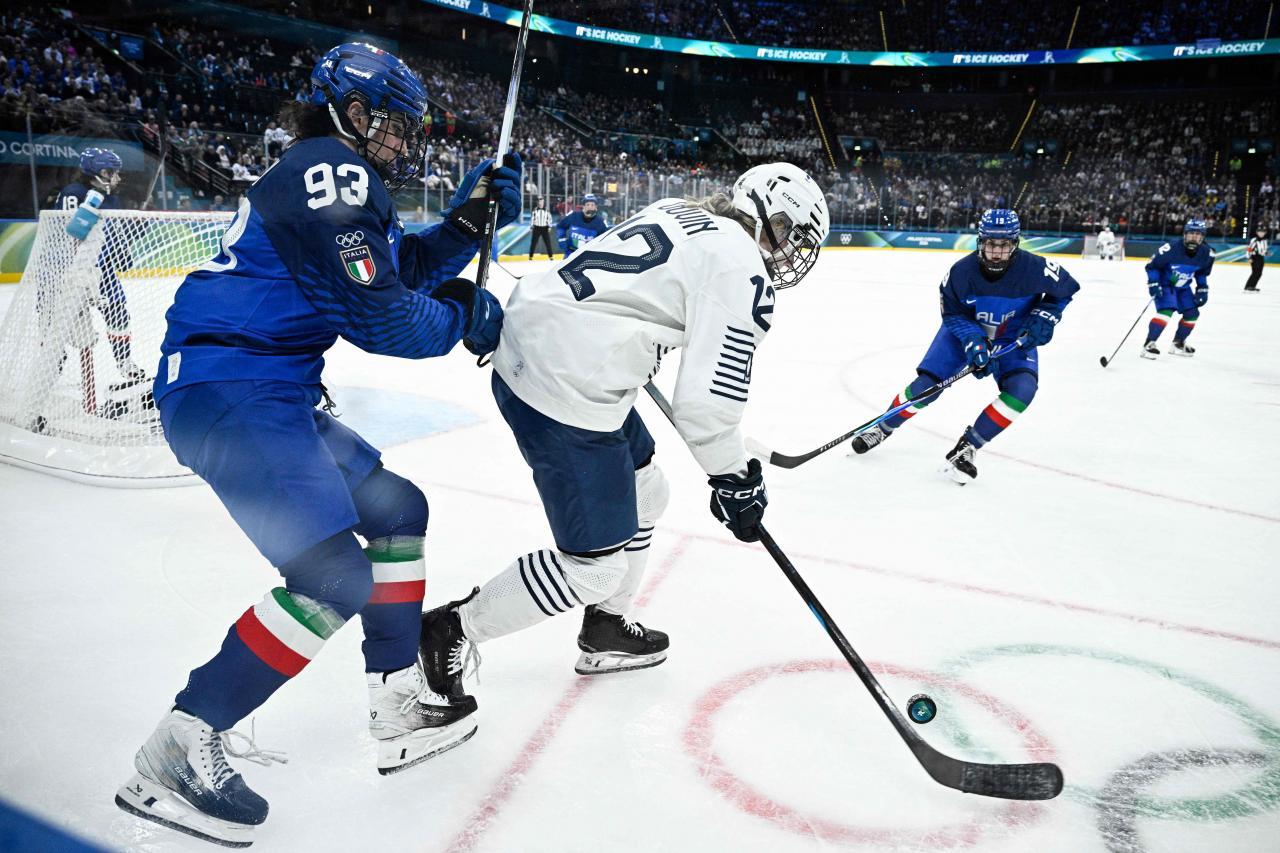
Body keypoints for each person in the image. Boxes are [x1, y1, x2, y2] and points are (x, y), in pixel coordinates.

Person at [114, 42, 522, 847]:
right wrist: (462, 319)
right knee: (334, 575)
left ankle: (395, 704)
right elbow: (381, 316)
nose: (405, 141)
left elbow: (394, 269)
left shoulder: (329, 169)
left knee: (399, 508)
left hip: (266, 389)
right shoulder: (332, 169)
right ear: (354, 112)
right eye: (395, 124)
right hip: (235, 388)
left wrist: (464, 226)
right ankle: (180, 744)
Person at [417, 163, 829, 730]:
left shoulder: (680, 210)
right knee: (593, 569)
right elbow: (707, 405)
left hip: (547, 345)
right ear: (764, 215)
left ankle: (606, 627)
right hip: (565, 391)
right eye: (788, 232)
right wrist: (735, 478)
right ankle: (449, 629)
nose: (789, 252)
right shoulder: (742, 268)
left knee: (648, 491)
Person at [850, 209, 1080, 484]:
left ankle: (968, 446)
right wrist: (973, 340)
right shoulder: (960, 273)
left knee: (1022, 390)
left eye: (1004, 245)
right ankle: (883, 426)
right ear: (980, 242)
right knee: (926, 388)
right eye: (991, 244)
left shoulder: (1036, 268)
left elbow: (1065, 289)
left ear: (1015, 243)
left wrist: (1045, 315)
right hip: (966, 334)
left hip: (1013, 336)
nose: (997, 253)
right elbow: (953, 315)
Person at [55, 147, 145, 381]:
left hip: (103, 272)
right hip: (71, 271)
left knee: (118, 312)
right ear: (97, 172)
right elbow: (70, 233)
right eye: (112, 172)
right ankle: (53, 360)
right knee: (59, 320)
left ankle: (124, 361)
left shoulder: (112, 198)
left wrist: (122, 251)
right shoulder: (73, 193)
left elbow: (113, 232)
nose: (117, 178)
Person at [1141, 219, 1214, 358]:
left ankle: (1178, 343)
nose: (1194, 237)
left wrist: (1202, 288)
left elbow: (1201, 272)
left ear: (1203, 237)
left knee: (1192, 314)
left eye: (1198, 234)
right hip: (1166, 285)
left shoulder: (1207, 253)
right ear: (1185, 234)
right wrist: (1153, 283)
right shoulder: (1170, 249)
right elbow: (1152, 266)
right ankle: (1149, 344)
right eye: (1191, 234)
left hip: (1184, 288)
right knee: (1166, 311)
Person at [555, 192, 609, 257]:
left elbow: (605, 239)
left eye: (592, 205)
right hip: (570, 254)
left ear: (596, 207)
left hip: (589, 256)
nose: (590, 207)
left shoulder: (601, 222)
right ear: (583, 206)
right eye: (587, 205)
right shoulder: (574, 216)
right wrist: (561, 238)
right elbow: (561, 226)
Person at [1244, 224, 1267, 293]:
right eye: (1260, 232)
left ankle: (1252, 286)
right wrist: (1249, 257)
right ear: (1257, 232)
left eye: (1263, 232)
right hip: (1254, 257)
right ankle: (1248, 286)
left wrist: (1266, 253)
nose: (1261, 233)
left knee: (1259, 273)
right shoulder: (1254, 240)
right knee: (1255, 272)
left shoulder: (1265, 241)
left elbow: (1263, 251)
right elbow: (1249, 249)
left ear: (1265, 233)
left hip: (1261, 258)